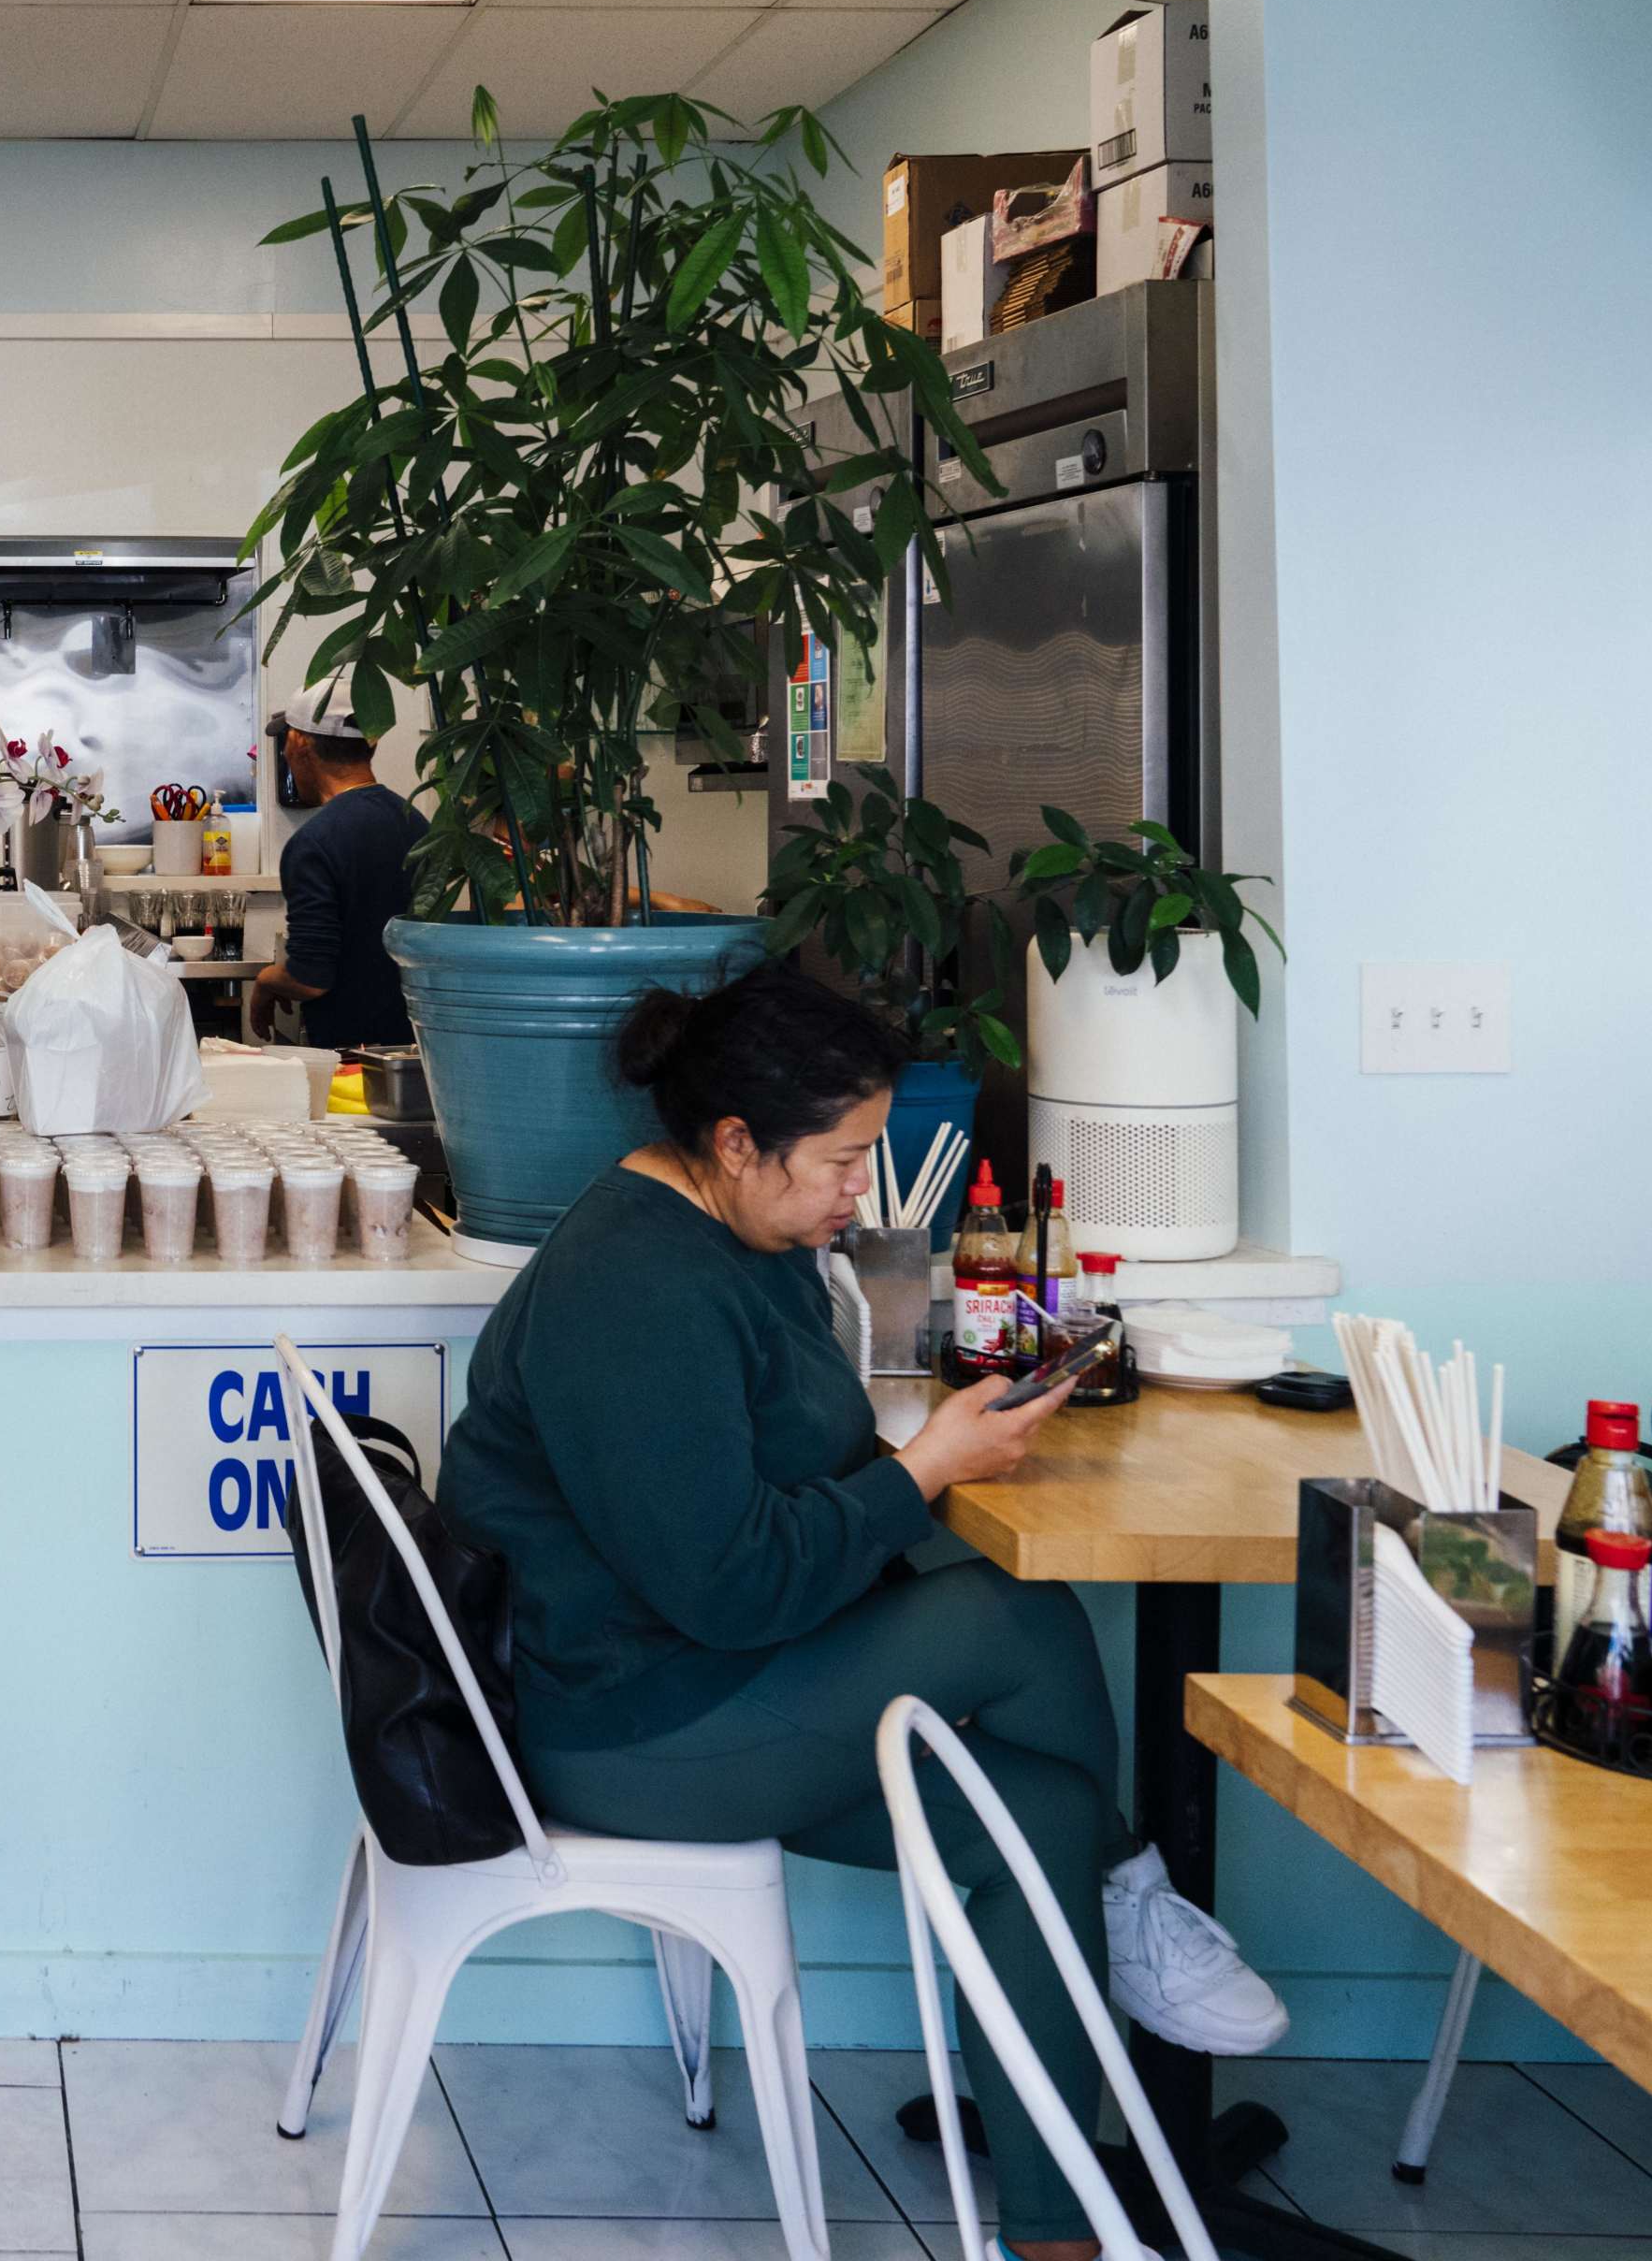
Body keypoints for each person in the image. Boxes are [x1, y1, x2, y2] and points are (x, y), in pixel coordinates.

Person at [434, 964, 1288, 2261]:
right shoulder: (637, 1290)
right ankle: (1130, 1893)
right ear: (734, 1144)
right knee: (1014, 1620)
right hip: (622, 1721)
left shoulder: (745, 1237)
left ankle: (1058, 2228)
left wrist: (916, 1467)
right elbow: (730, 1585)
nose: (860, 1192)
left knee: (1036, 1818)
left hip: (710, 1683)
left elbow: (785, 1493)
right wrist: (924, 1473)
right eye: (842, 1162)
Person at [246, 672, 424, 1049]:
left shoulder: (314, 843)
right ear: (370, 746)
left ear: (297, 743)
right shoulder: (417, 823)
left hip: (355, 1060)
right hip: (420, 1047)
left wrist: (266, 981)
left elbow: (310, 978)